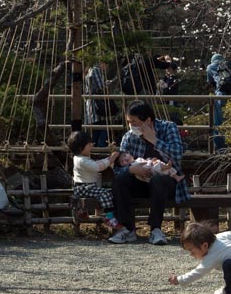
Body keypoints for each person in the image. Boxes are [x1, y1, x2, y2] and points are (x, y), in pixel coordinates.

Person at [108, 100, 189, 245]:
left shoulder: (168, 127)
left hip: (165, 183)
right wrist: (131, 169)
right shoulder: (129, 136)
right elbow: (117, 168)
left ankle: (156, 229)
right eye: (129, 122)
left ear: (148, 120)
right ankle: (127, 229)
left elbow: (178, 155)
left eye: (134, 122)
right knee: (120, 180)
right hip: (139, 182)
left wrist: (155, 141)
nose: (131, 126)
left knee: (158, 179)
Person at [67, 130, 121, 228]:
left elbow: (96, 164)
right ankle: (109, 217)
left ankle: (82, 211)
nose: (91, 145)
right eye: (89, 144)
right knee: (105, 193)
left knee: (104, 192)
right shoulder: (81, 160)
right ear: (81, 147)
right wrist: (110, 159)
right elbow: (97, 167)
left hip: (85, 187)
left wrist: (108, 160)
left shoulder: (82, 158)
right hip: (84, 188)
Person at [205, 53, 231, 149]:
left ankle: (221, 148)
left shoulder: (210, 67)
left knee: (218, 123)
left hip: (220, 96)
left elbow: (210, 82)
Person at [84, 60, 116, 147]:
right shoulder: (95, 70)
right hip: (98, 105)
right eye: (106, 64)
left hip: (91, 105)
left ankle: (93, 151)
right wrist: (106, 84)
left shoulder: (89, 72)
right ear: (101, 63)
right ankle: (101, 151)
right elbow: (101, 87)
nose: (107, 67)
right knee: (103, 128)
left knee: (94, 131)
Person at [115, 151, 185, 182]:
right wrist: (150, 162)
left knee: (159, 163)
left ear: (129, 153)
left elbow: (145, 162)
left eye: (124, 156)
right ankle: (167, 167)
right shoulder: (134, 165)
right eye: (122, 161)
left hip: (154, 171)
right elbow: (146, 167)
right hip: (149, 174)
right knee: (158, 166)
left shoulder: (137, 159)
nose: (125, 159)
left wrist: (151, 160)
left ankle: (176, 176)